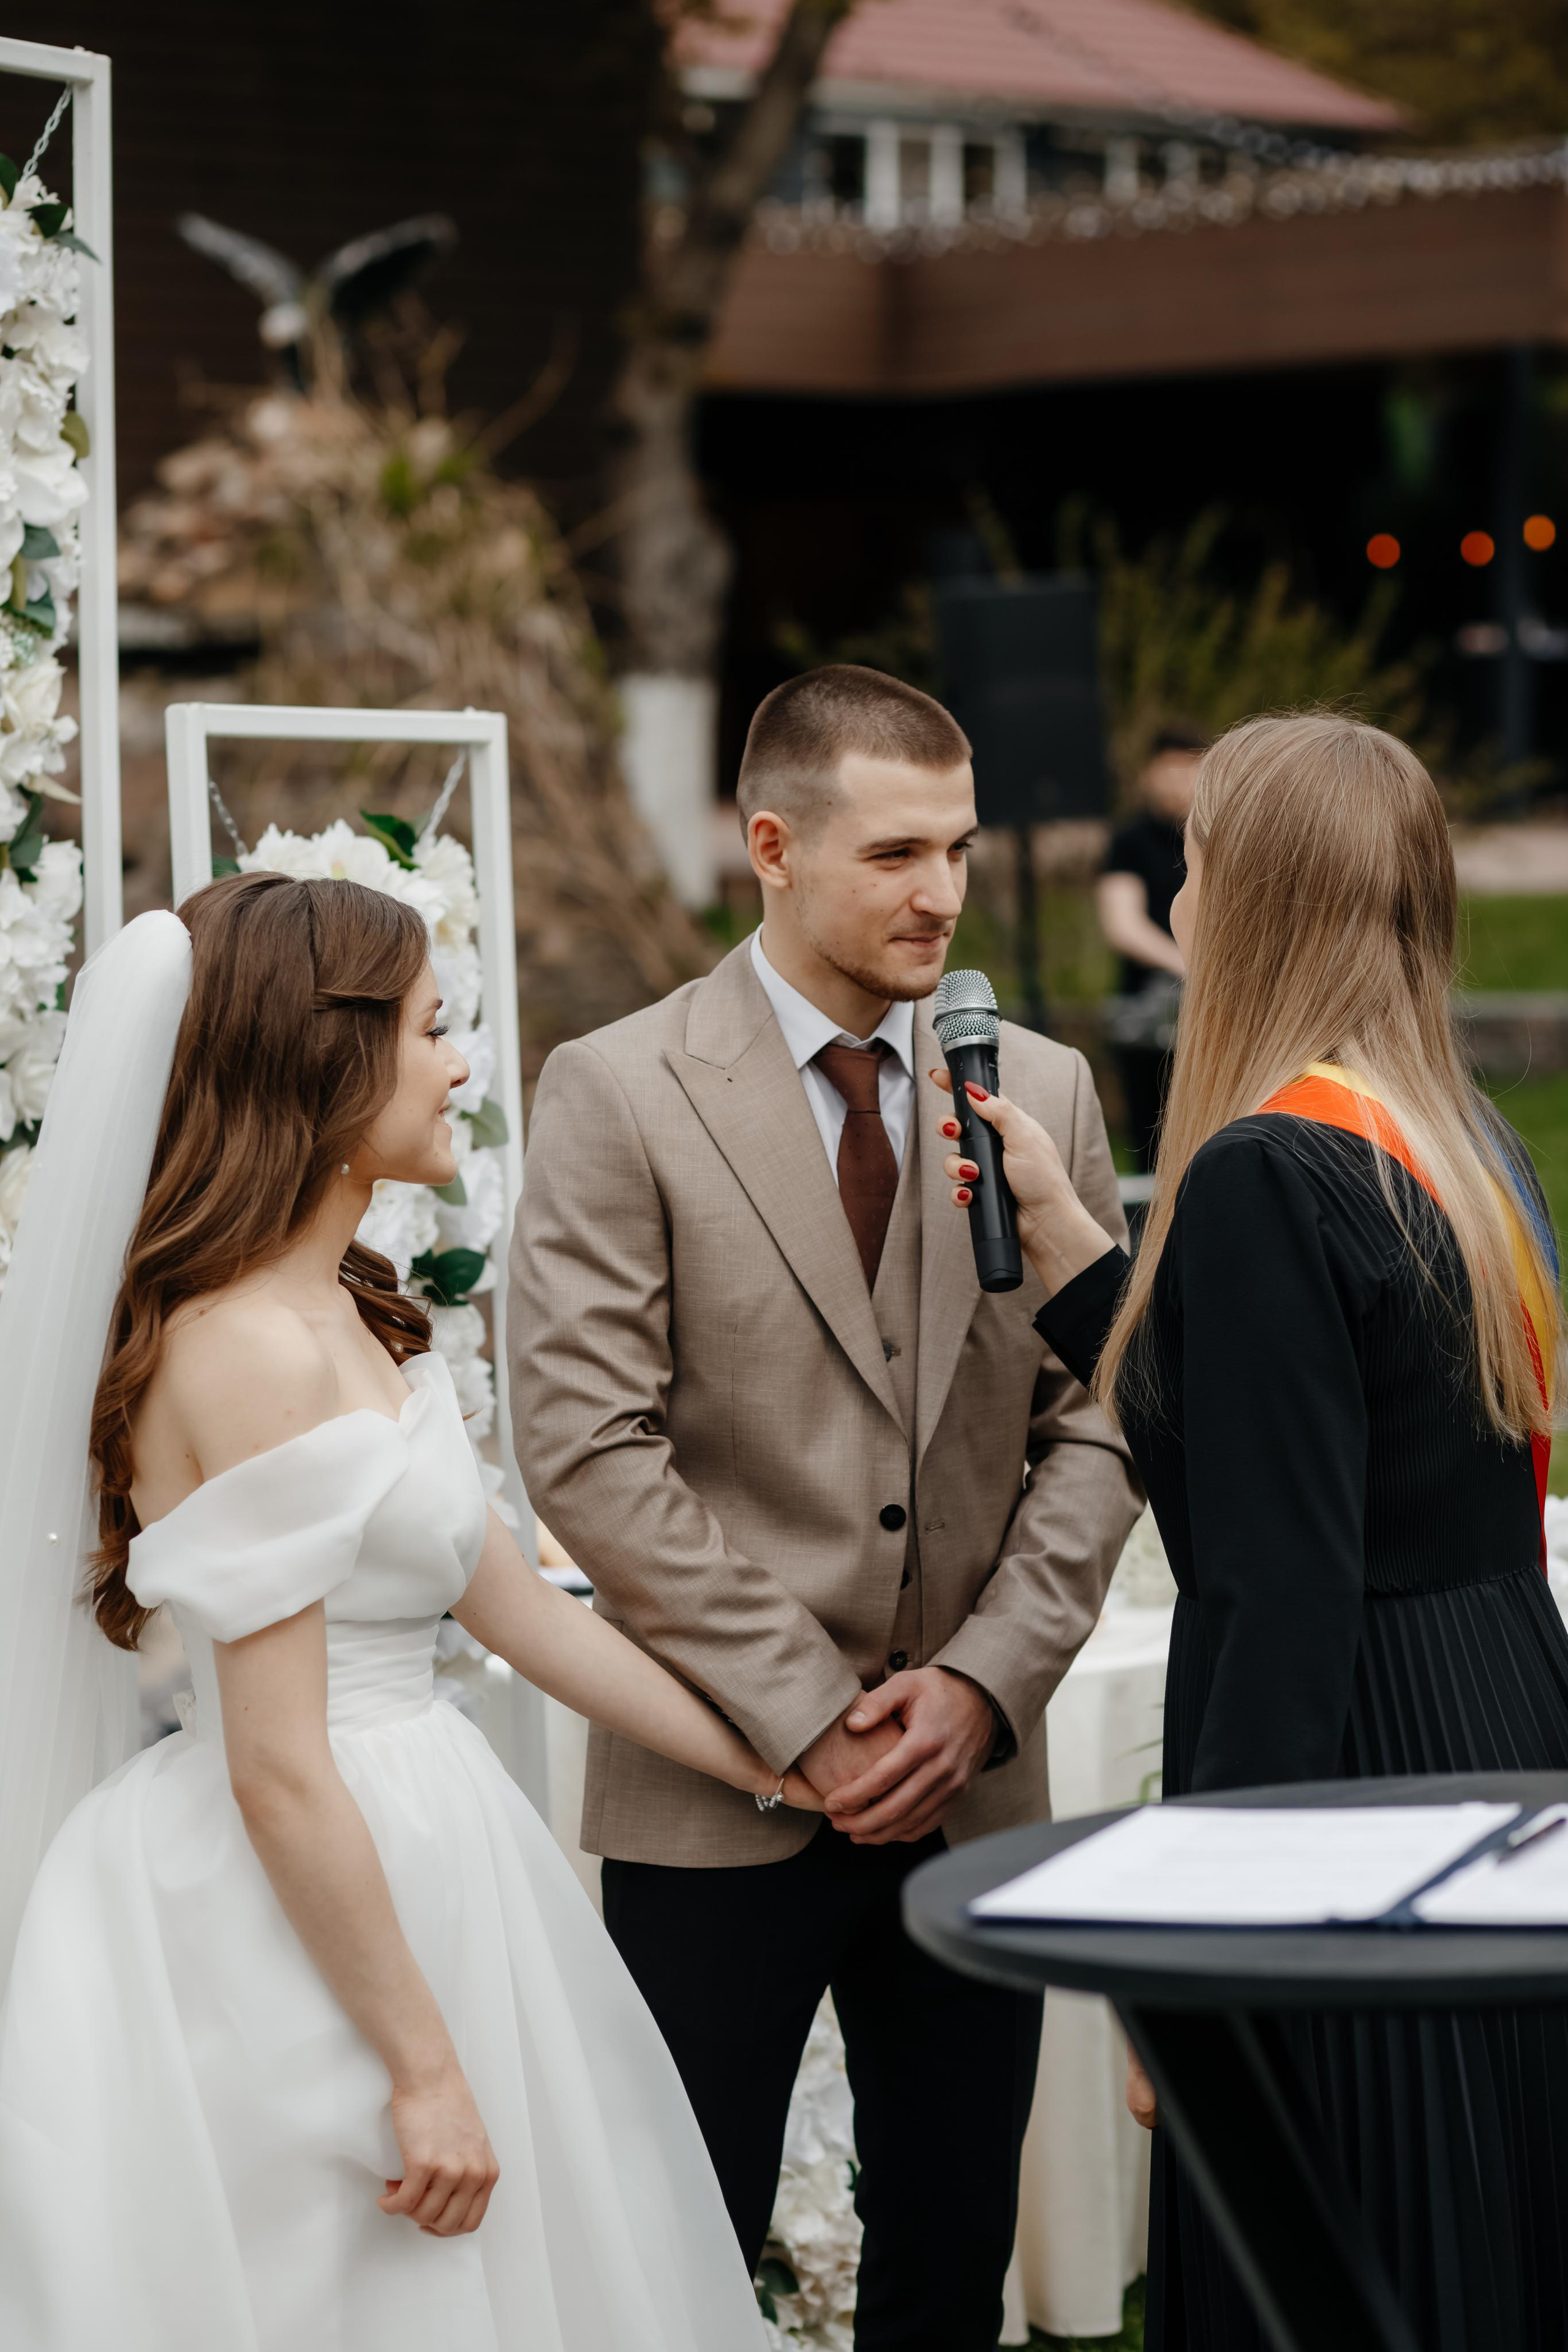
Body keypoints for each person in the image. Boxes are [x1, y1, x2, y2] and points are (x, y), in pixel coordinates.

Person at [0, 872, 821, 2351]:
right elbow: (276, 1758)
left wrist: (780, 1753)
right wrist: (423, 2060)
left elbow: (518, 1610)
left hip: (435, 1838)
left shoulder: (357, 1309)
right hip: (294, 1889)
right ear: (326, 1060)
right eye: (434, 1030)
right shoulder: (240, 1347)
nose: (462, 1066)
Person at [511, 662, 1143, 2352]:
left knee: (949, 2253)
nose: (942, 892)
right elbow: (584, 1446)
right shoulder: (621, 1089)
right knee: (682, 2241)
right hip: (718, 1789)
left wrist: (984, 1680)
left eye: (959, 846)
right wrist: (806, 1715)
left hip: (972, 1783)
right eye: (895, 855)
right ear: (770, 844)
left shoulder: (1047, 1092)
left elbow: (1102, 1423)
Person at [935, 711, 1568, 2352]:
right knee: (1475, 2227)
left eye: (1198, 861)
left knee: (1332, 2247)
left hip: (1347, 1763)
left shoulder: (1264, 1171)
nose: (1182, 893)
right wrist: (1084, 1252)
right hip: (1497, 1714)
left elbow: (1282, 1586)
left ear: (1251, 898)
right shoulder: (1463, 1144)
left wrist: (1197, 1946)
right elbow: (1265, 1454)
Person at [1095, 725, 1205, 1171]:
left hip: (1212, 1009)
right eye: (1171, 769)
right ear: (1150, 773)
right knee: (1155, 1147)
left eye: (1190, 769)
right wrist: (1191, 965)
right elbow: (1124, 925)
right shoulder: (1130, 842)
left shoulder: (1217, 837)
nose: (1180, 780)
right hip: (1148, 1017)